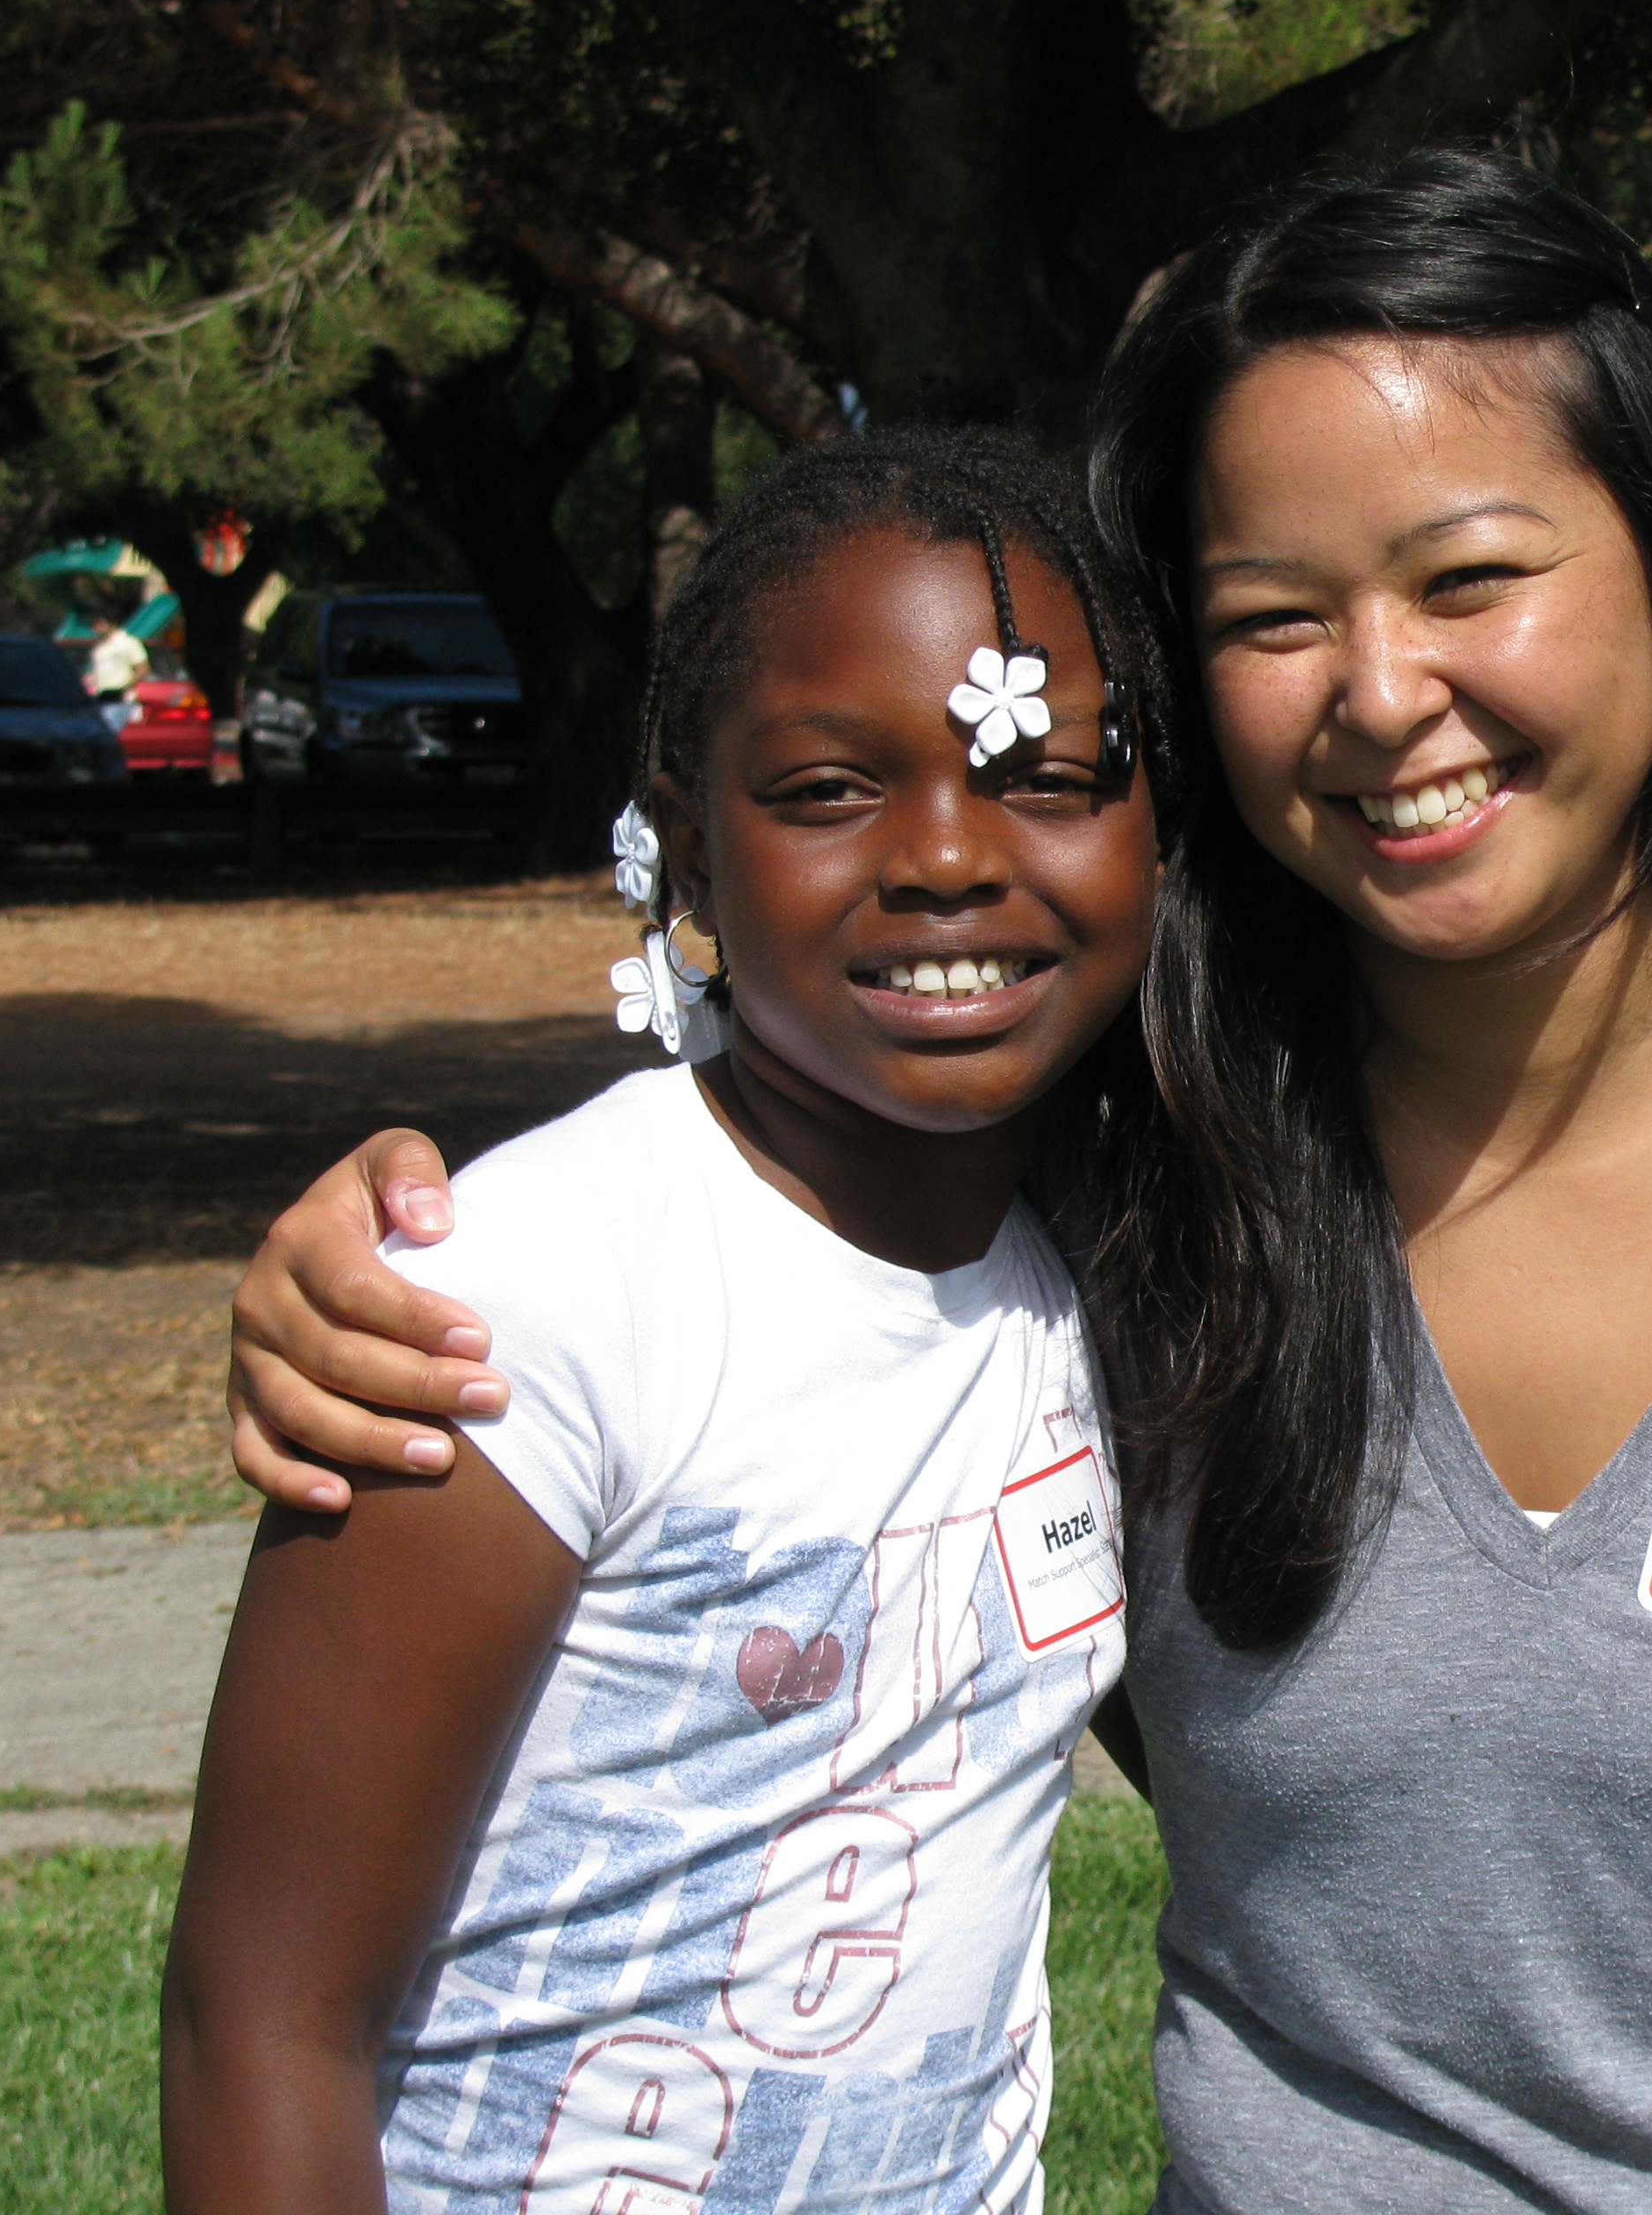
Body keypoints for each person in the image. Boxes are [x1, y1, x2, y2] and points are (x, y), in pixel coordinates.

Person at [221, 152, 1652, 2214]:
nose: (1385, 696)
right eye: (1273, 616)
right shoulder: (1118, 1151)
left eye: (1473, 576)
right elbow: (756, 1193)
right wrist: (372, 1251)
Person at [163, 432, 1165, 2212]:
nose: (944, 857)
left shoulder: (1109, 1275)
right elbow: (266, 2024)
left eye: (1047, 776)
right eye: (830, 789)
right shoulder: (521, 1307)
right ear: (683, 845)